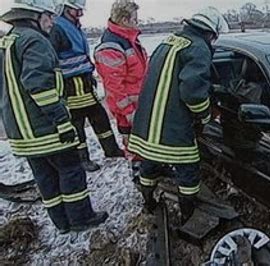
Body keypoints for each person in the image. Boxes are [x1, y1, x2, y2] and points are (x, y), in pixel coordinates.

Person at [0, 0, 108, 233]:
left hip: (20, 132)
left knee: (45, 178)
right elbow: (41, 88)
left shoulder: (8, 40)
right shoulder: (35, 40)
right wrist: (62, 121)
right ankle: (81, 218)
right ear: (35, 16)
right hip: (44, 128)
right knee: (71, 170)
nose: (52, 21)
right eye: (48, 16)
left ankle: (62, 223)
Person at [128, 7, 229, 221]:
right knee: (189, 169)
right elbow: (193, 93)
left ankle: (149, 203)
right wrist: (205, 116)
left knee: (150, 162)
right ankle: (188, 215)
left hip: (147, 121)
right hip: (172, 124)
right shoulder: (199, 47)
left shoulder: (169, 41)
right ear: (211, 33)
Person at [49, 0, 123, 172]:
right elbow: (54, 59)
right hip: (70, 84)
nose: (81, 13)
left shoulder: (73, 25)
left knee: (99, 117)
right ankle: (82, 159)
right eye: (77, 10)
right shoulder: (57, 28)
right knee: (77, 122)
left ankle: (111, 150)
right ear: (66, 8)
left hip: (85, 81)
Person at [94, 0, 147, 179]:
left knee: (143, 142)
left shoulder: (128, 39)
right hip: (129, 110)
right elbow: (114, 87)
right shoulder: (111, 47)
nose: (137, 21)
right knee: (133, 144)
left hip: (139, 105)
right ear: (124, 20)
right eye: (135, 18)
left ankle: (148, 169)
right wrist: (128, 112)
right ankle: (139, 174)